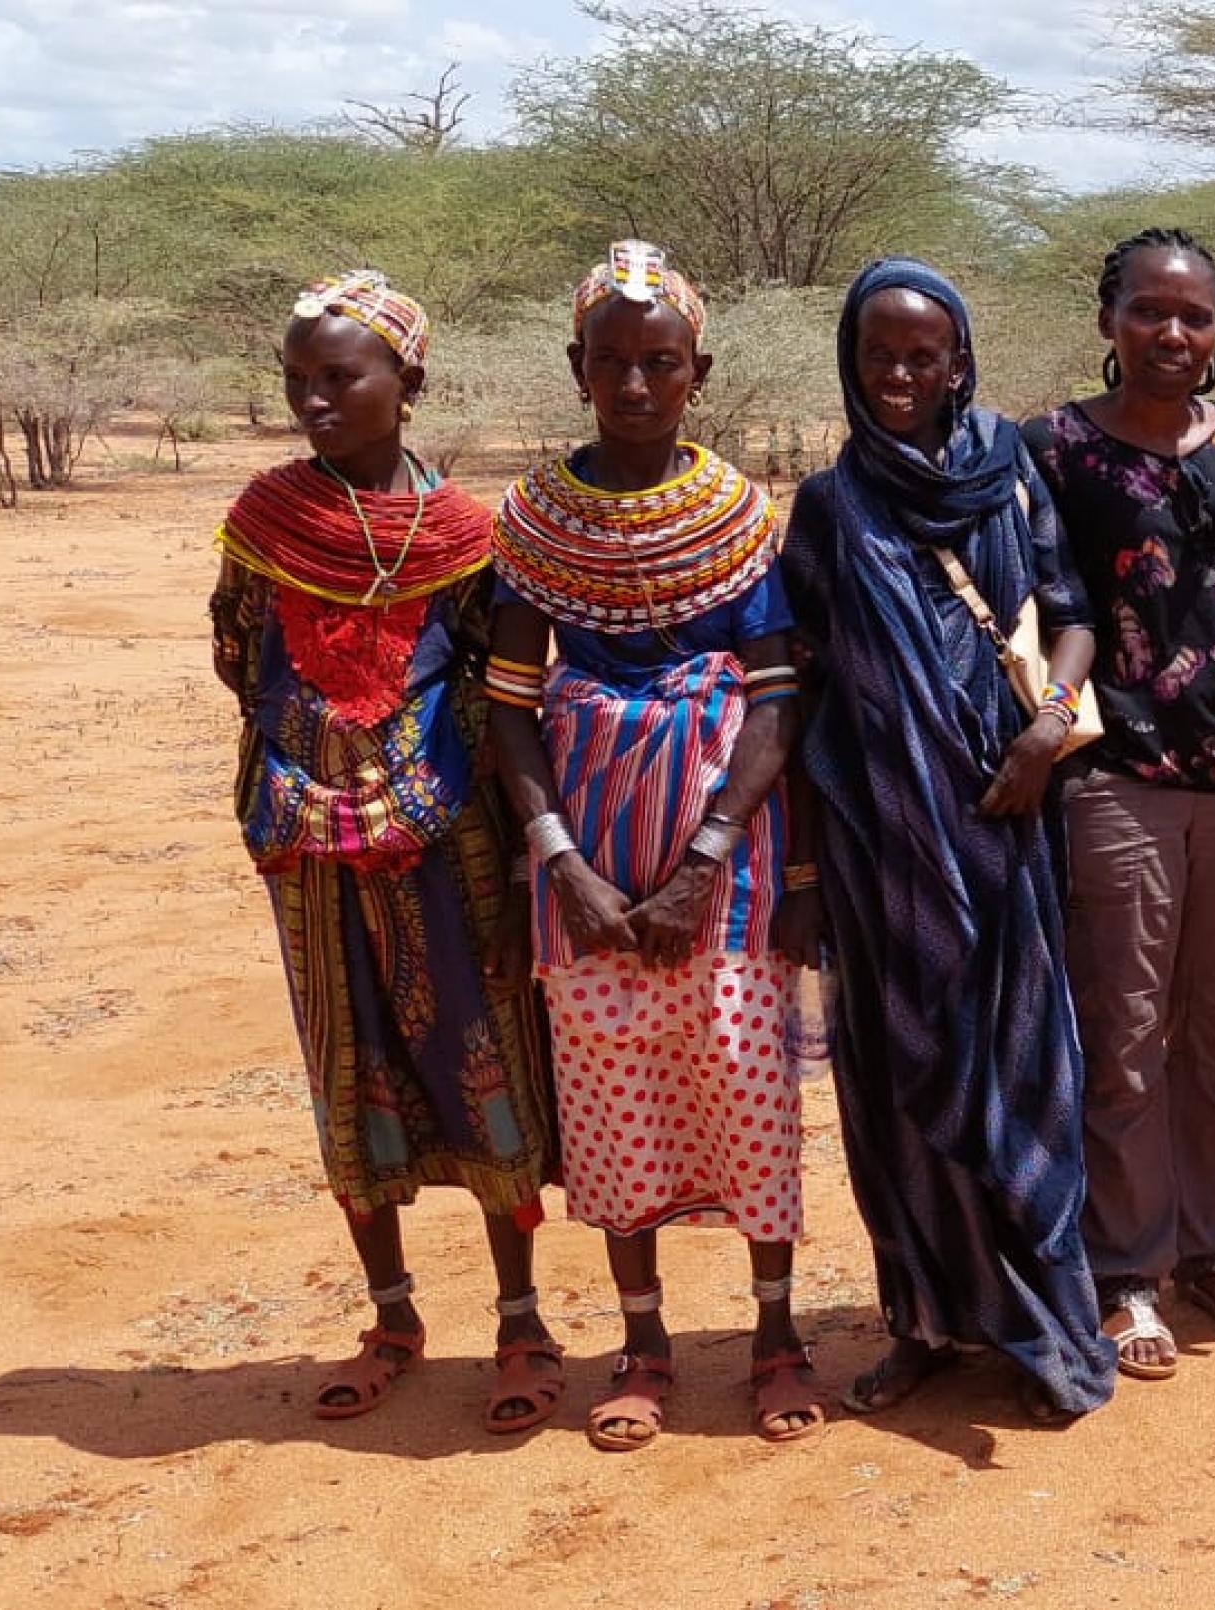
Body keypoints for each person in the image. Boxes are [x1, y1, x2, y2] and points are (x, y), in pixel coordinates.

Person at [210, 270, 563, 1433]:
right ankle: (394, 1311)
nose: (313, 398)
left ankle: (520, 1319)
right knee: (344, 1057)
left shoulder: (470, 536)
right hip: (308, 841)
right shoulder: (266, 523)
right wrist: (321, 766)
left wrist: (514, 856)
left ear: (406, 383)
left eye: (339, 376)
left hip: (451, 836)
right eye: (297, 380)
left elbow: (504, 686)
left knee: (482, 1049)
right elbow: (236, 655)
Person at [484, 240, 821, 1449]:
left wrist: (707, 857)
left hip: (717, 865)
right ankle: (643, 1340)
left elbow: (777, 701)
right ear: (578, 368)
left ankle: (778, 1334)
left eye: (660, 363)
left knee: (747, 1085)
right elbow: (511, 708)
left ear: (700, 371)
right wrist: (562, 860)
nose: (635, 384)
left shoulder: (740, 519)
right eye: (613, 361)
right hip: (584, 869)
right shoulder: (533, 523)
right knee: (611, 1094)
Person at [781, 257, 1119, 1422]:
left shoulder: (1008, 473)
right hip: (884, 849)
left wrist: (1045, 729)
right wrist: (810, 871)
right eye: (879, 354)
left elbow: (1073, 617)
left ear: (960, 360)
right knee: (901, 1086)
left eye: (923, 355)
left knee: (1022, 1073)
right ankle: (922, 1319)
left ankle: (1041, 1328)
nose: (900, 375)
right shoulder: (830, 508)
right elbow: (807, 687)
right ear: (851, 361)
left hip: (1008, 829)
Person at [1030, 228, 1215, 1379]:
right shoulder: (1056, 450)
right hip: (1117, 776)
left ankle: (1210, 1245)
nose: (1171, 333)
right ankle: (1127, 1265)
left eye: (1192, 315)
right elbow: (1033, 605)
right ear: (1107, 318)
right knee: (1126, 1034)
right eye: (1148, 310)